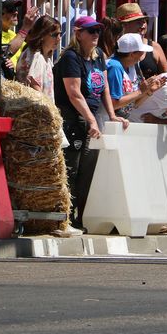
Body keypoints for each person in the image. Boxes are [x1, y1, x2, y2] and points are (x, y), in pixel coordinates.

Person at [55, 15, 123, 223]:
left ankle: (80, 217)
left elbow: (104, 89)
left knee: (88, 171)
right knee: (72, 169)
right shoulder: (71, 58)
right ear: (78, 34)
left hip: (89, 117)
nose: (96, 35)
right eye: (91, 31)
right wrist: (91, 121)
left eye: (97, 31)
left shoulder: (98, 55)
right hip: (73, 117)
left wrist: (112, 115)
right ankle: (65, 216)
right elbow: (74, 93)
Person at [107, 33, 164, 120]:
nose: (143, 54)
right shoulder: (114, 66)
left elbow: (133, 105)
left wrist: (148, 91)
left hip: (119, 123)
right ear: (132, 54)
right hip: (105, 122)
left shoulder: (130, 67)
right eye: (141, 52)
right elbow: (113, 104)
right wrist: (140, 91)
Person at [15, 14, 61, 101]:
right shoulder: (37, 56)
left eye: (60, 34)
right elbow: (36, 89)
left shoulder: (43, 56)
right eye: (55, 35)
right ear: (42, 35)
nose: (59, 38)